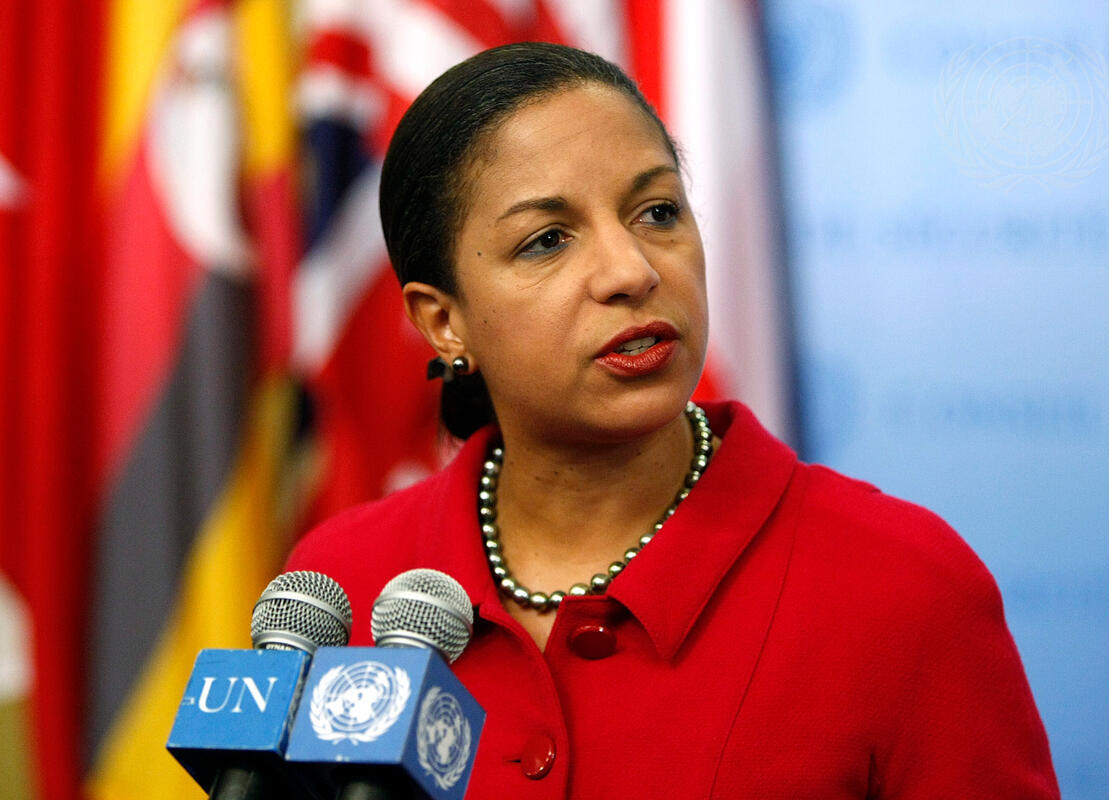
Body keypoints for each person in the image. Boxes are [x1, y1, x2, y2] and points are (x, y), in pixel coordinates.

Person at [286, 41, 1060, 798]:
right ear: (443, 321)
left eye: (657, 212)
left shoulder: (904, 586)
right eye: (547, 240)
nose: (633, 270)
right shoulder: (343, 585)